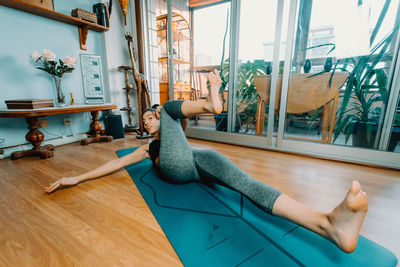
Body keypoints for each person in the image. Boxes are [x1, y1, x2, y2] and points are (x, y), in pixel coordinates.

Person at [45, 70, 368, 253]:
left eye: (151, 117)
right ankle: (212, 103)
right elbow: (114, 165)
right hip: (176, 170)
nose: (147, 121)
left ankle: (328, 225)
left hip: (201, 162)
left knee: (248, 185)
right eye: (144, 119)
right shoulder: (150, 149)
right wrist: (77, 178)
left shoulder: (173, 130)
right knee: (172, 107)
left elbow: (175, 129)